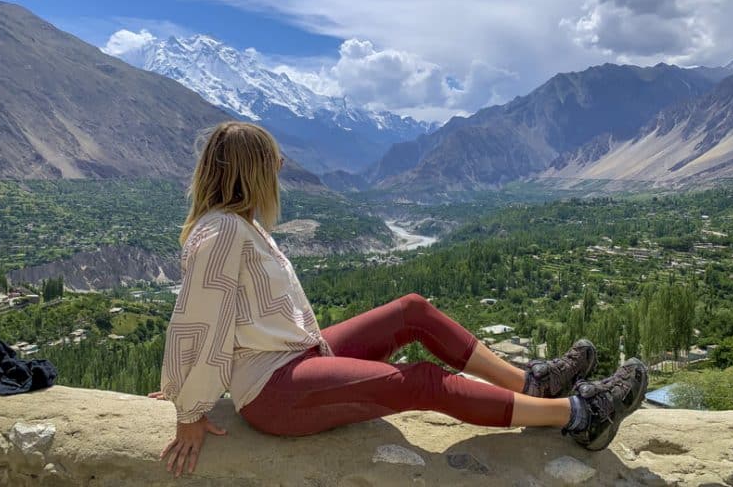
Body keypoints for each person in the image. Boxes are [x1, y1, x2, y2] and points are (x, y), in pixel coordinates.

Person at [150, 121, 648, 478]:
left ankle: (531, 384)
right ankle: (581, 416)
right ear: (252, 171)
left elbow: (200, 319)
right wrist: (188, 410)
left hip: (296, 357)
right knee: (421, 381)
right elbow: (197, 323)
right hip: (272, 388)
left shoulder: (237, 225)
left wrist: (174, 385)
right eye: (272, 162)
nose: (280, 171)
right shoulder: (222, 232)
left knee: (412, 311)